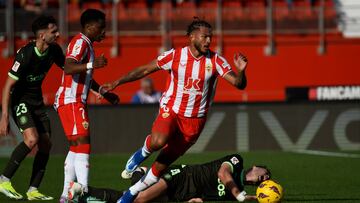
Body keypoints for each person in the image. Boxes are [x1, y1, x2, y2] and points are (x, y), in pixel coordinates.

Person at [101, 17, 248, 203]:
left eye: (210, 37)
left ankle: (130, 194)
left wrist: (241, 71)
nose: (209, 41)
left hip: (195, 122)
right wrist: (117, 82)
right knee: (158, 141)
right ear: (192, 37)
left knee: (160, 167)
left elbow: (238, 84)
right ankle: (143, 152)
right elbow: (145, 69)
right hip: (172, 110)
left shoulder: (216, 61)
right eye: (204, 37)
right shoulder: (175, 55)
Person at [53, 8, 119, 203]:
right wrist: (92, 65)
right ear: (89, 27)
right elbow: (68, 66)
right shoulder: (81, 42)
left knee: (75, 147)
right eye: (101, 28)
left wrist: (104, 93)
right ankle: (84, 192)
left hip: (73, 100)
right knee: (83, 145)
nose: (104, 32)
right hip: (71, 100)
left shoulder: (87, 44)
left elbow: (84, 76)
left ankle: (67, 195)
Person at [0, 15, 63, 201]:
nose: (58, 34)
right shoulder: (25, 54)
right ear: (42, 35)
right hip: (20, 101)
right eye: (54, 32)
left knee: (46, 144)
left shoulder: (54, 50)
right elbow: (7, 86)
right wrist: (4, 116)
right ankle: (4, 180)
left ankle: (33, 190)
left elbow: (68, 67)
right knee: (32, 139)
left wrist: (89, 68)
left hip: (37, 103)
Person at [68, 154, 270, 203]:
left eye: (266, 180)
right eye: (265, 173)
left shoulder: (232, 195)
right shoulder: (237, 161)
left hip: (183, 194)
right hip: (183, 176)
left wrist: (194, 199)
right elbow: (222, 174)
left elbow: (210, 195)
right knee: (139, 199)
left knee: (132, 197)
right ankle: (82, 191)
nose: (264, 177)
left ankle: (82, 193)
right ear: (255, 166)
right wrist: (240, 195)